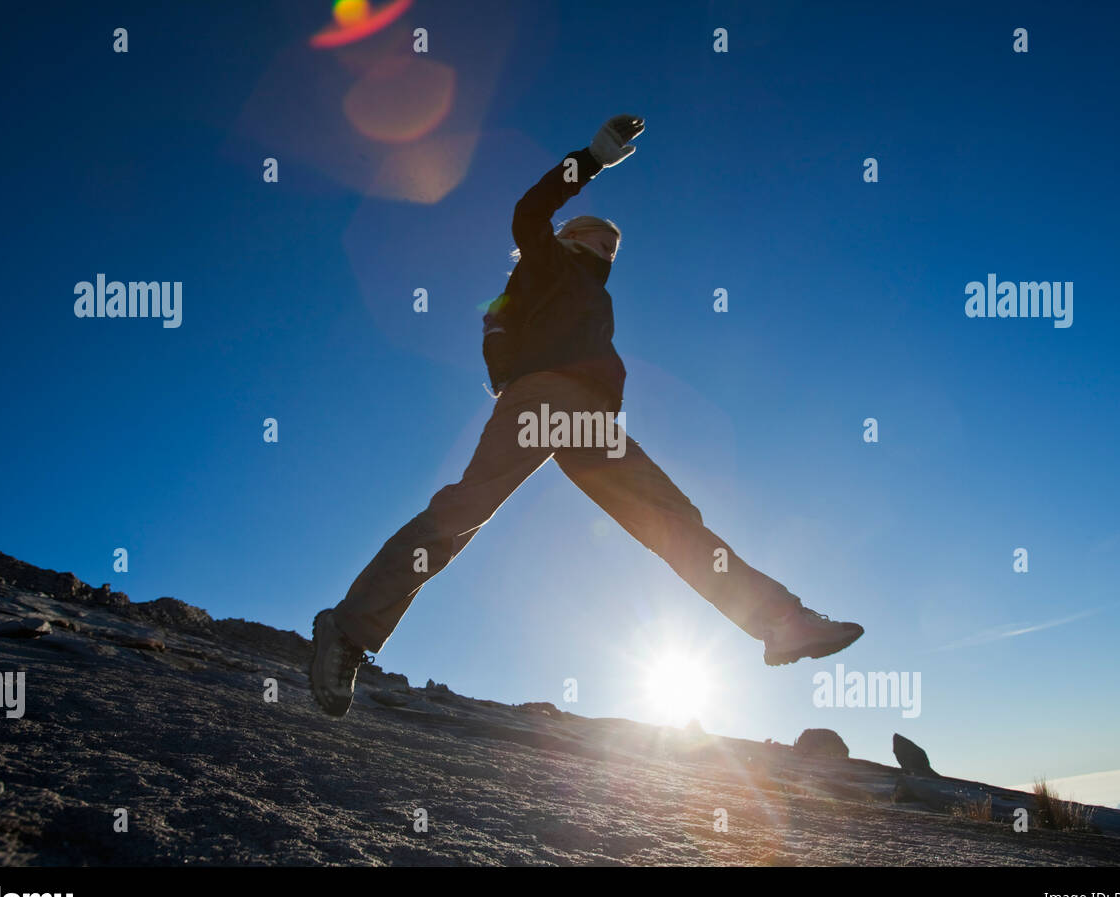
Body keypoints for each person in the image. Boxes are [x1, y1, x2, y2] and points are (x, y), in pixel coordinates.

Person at [310, 115, 864, 718]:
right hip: (544, 399)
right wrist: (590, 160)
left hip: (589, 420)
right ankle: (348, 630)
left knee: (671, 519)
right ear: (575, 237)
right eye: (602, 239)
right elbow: (528, 212)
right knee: (462, 513)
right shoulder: (549, 264)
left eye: (613, 247)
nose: (609, 251)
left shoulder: (590, 291)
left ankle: (780, 622)